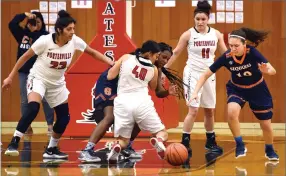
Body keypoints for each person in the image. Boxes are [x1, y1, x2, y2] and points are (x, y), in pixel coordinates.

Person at [2, 10, 114, 158]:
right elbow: (25, 57)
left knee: (64, 118)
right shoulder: (44, 41)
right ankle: (14, 142)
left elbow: (92, 52)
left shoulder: (75, 41)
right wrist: (10, 77)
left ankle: (51, 149)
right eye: (69, 29)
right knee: (33, 107)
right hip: (38, 78)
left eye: (73, 28)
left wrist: (111, 63)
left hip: (57, 83)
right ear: (59, 30)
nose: (72, 32)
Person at [79, 42, 180, 162]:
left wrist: (168, 91)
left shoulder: (154, 68)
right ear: (153, 54)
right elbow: (111, 75)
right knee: (110, 117)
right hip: (110, 83)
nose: (165, 61)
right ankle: (87, 150)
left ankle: (126, 146)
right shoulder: (134, 58)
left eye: (168, 59)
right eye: (163, 57)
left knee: (138, 118)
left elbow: (158, 92)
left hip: (125, 93)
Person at [189, 27, 279, 161]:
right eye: (230, 45)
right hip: (237, 89)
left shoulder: (252, 53)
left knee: (265, 124)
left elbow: (273, 70)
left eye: (236, 46)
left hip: (257, 89)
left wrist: (267, 70)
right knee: (231, 112)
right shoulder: (227, 57)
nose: (233, 49)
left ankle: (269, 149)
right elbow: (205, 74)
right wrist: (195, 92)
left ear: (244, 44)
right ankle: (239, 144)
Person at [164, 0, 227, 155]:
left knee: (209, 111)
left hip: (209, 75)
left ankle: (210, 141)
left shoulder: (216, 34)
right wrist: (163, 69)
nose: (200, 22)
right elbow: (176, 52)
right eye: (197, 19)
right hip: (192, 73)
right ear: (194, 19)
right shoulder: (188, 34)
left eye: (203, 19)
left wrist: (239, 67)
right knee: (193, 110)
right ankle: (185, 141)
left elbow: (226, 55)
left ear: (208, 19)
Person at [106, 40, 169, 161]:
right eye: (156, 56)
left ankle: (117, 146)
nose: (156, 59)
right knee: (162, 132)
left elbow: (110, 75)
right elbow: (152, 87)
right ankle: (159, 140)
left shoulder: (126, 58)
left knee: (123, 140)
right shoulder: (153, 69)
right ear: (150, 53)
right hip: (142, 103)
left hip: (123, 103)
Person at [8, 11, 54, 134]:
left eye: (38, 22)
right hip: (24, 72)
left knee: (45, 98)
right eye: (33, 22)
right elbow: (12, 24)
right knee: (25, 100)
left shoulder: (45, 36)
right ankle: (26, 126)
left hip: (41, 73)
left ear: (42, 23)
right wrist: (24, 15)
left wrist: (34, 32)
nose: (36, 24)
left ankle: (50, 125)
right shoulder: (22, 34)